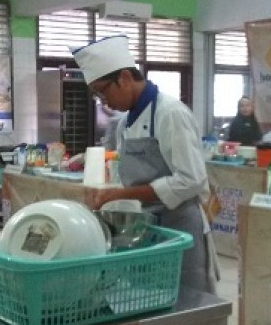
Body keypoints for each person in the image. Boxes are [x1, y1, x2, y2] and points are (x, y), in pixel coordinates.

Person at [71, 35, 216, 293]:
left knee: (185, 302)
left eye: (103, 91)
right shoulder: (126, 122)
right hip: (147, 224)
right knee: (149, 296)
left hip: (179, 227)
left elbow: (191, 180)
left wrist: (122, 194)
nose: (103, 102)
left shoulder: (170, 113)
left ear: (125, 77)